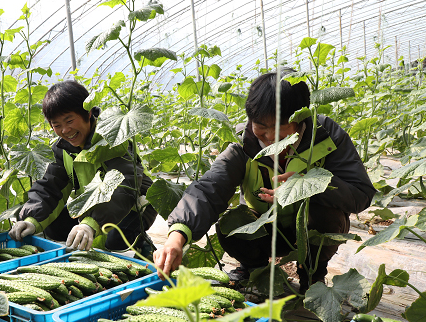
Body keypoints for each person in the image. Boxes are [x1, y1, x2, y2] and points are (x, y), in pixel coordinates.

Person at [154, 71, 376, 291]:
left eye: (280, 132)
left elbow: (361, 194)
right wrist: (177, 236)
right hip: (262, 227)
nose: (270, 138)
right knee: (232, 223)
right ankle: (255, 270)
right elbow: (209, 189)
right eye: (261, 129)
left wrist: (309, 185)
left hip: (310, 230)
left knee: (328, 217)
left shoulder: (327, 137)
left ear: (300, 119)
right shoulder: (242, 143)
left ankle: (312, 276)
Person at [9, 80, 157, 256]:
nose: (65, 130)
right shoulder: (62, 149)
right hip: (93, 204)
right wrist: (31, 219)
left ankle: (141, 242)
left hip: (135, 203)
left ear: (88, 114)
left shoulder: (113, 136)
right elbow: (49, 187)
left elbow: (122, 188)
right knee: (53, 226)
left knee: (114, 241)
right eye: (57, 125)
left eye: (69, 120)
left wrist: (90, 224)